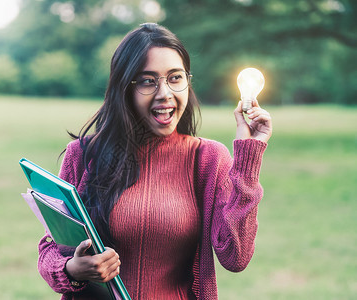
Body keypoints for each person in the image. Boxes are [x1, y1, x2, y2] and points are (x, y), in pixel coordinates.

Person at [37, 23, 272, 299]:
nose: (165, 94)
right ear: (125, 88)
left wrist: (248, 156)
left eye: (175, 78)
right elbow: (50, 251)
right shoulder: (83, 155)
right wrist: (72, 268)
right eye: (148, 81)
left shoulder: (208, 159)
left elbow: (236, 256)